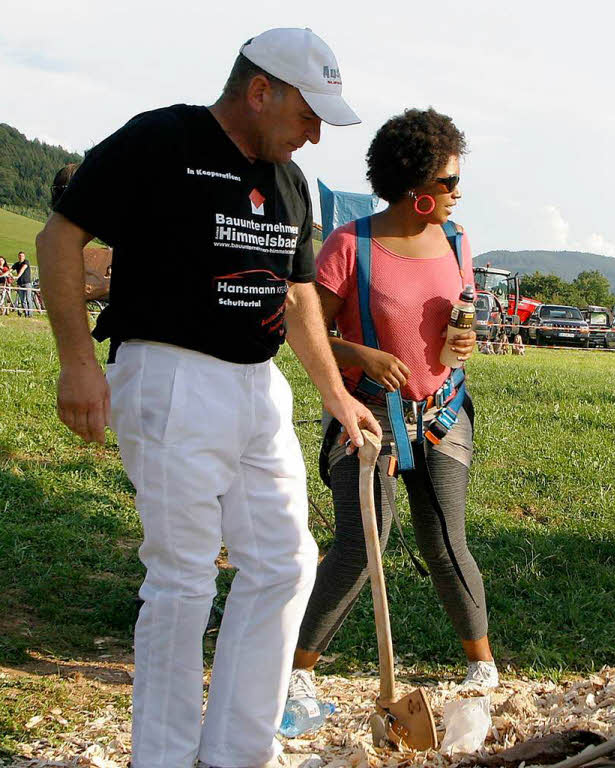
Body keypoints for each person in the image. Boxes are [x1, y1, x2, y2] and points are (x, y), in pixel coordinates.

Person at [36, 27, 380, 768]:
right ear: (260, 91)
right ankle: (162, 757)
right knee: (184, 576)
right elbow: (59, 239)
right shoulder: (160, 139)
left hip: (259, 387)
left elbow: (295, 298)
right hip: (169, 373)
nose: (316, 135)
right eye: (308, 114)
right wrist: (76, 363)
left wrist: (335, 396)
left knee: (286, 562)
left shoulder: (288, 181)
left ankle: (234, 753)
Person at [288, 108, 498, 713]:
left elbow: (461, 321)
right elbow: (304, 332)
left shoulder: (457, 242)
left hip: (443, 415)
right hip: (366, 416)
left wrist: (465, 341)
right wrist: (362, 354)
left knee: (446, 541)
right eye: (448, 182)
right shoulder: (347, 245)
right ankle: (299, 669)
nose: (458, 193)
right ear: (415, 188)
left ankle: (481, 668)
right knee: (362, 543)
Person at [12, 251, 35, 316]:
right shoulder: (16, 264)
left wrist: (17, 276)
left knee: (28, 299)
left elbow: (23, 269)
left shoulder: (26, 262)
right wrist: (3, 275)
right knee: (22, 300)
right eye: (19, 256)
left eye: (22, 256)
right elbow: (10, 270)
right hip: (20, 284)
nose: (20, 257)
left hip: (27, 283)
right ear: (18, 256)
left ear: (24, 257)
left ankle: (30, 314)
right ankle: (26, 314)